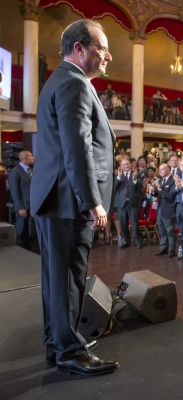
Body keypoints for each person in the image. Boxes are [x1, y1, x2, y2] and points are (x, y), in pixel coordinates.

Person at [30, 19, 118, 375]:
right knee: (69, 278)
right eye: (102, 47)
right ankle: (70, 351)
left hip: (55, 198)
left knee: (56, 278)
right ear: (79, 49)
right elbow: (77, 149)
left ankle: (57, 343)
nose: (108, 56)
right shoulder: (74, 83)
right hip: (67, 200)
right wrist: (92, 201)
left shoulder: (61, 79)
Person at [114, 159, 144, 249]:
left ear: (130, 165)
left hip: (133, 203)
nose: (126, 166)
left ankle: (137, 241)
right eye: (124, 164)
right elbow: (113, 188)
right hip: (121, 203)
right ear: (121, 166)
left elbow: (140, 187)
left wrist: (134, 180)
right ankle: (125, 241)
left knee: (134, 223)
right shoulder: (117, 175)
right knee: (123, 223)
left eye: (127, 164)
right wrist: (119, 178)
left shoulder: (137, 174)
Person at [9, 150, 35, 250]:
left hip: (32, 206)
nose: (33, 158)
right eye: (31, 157)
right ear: (24, 159)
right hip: (23, 206)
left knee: (30, 230)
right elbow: (14, 191)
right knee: (21, 229)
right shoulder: (15, 172)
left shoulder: (32, 171)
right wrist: (20, 207)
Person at [153, 164, 178, 257]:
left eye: (162, 169)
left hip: (169, 208)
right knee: (161, 229)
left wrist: (159, 189)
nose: (160, 171)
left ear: (168, 170)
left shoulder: (172, 181)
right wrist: (153, 191)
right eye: (159, 170)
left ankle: (171, 249)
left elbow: (170, 195)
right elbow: (157, 194)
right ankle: (163, 248)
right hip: (160, 208)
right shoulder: (160, 180)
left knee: (169, 230)